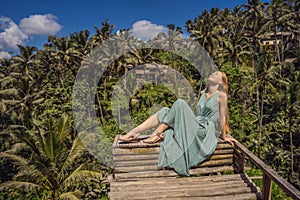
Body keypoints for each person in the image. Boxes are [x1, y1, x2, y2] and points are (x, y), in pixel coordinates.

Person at [118, 71, 236, 176]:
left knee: (180, 103)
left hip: (203, 129)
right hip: (197, 122)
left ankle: (156, 133)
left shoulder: (222, 95)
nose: (212, 74)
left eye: (216, 75)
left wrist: (224, 136)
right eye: (212, 73)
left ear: (221, 82)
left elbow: (222, 117)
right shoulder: (202, 92)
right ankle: (133, 133)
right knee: (165, 111)